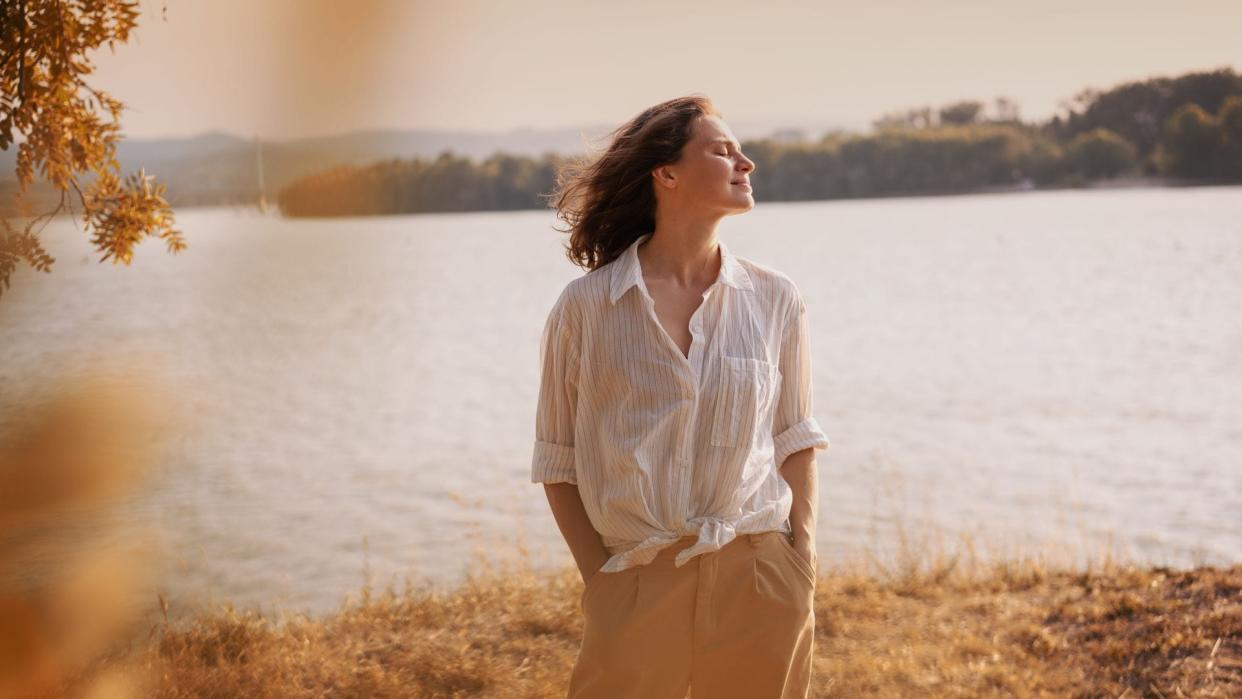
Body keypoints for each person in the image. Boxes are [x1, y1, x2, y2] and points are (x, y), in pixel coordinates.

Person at [530, 95, 830, 699]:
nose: (746, 163)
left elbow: (795, 436)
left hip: (760, 577)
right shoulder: (586, 309)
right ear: (665, 174)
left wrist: (801, 558)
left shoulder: (775, 298)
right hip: (638, 579)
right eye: (722, 151)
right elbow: (558, 461)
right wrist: (604, 582)